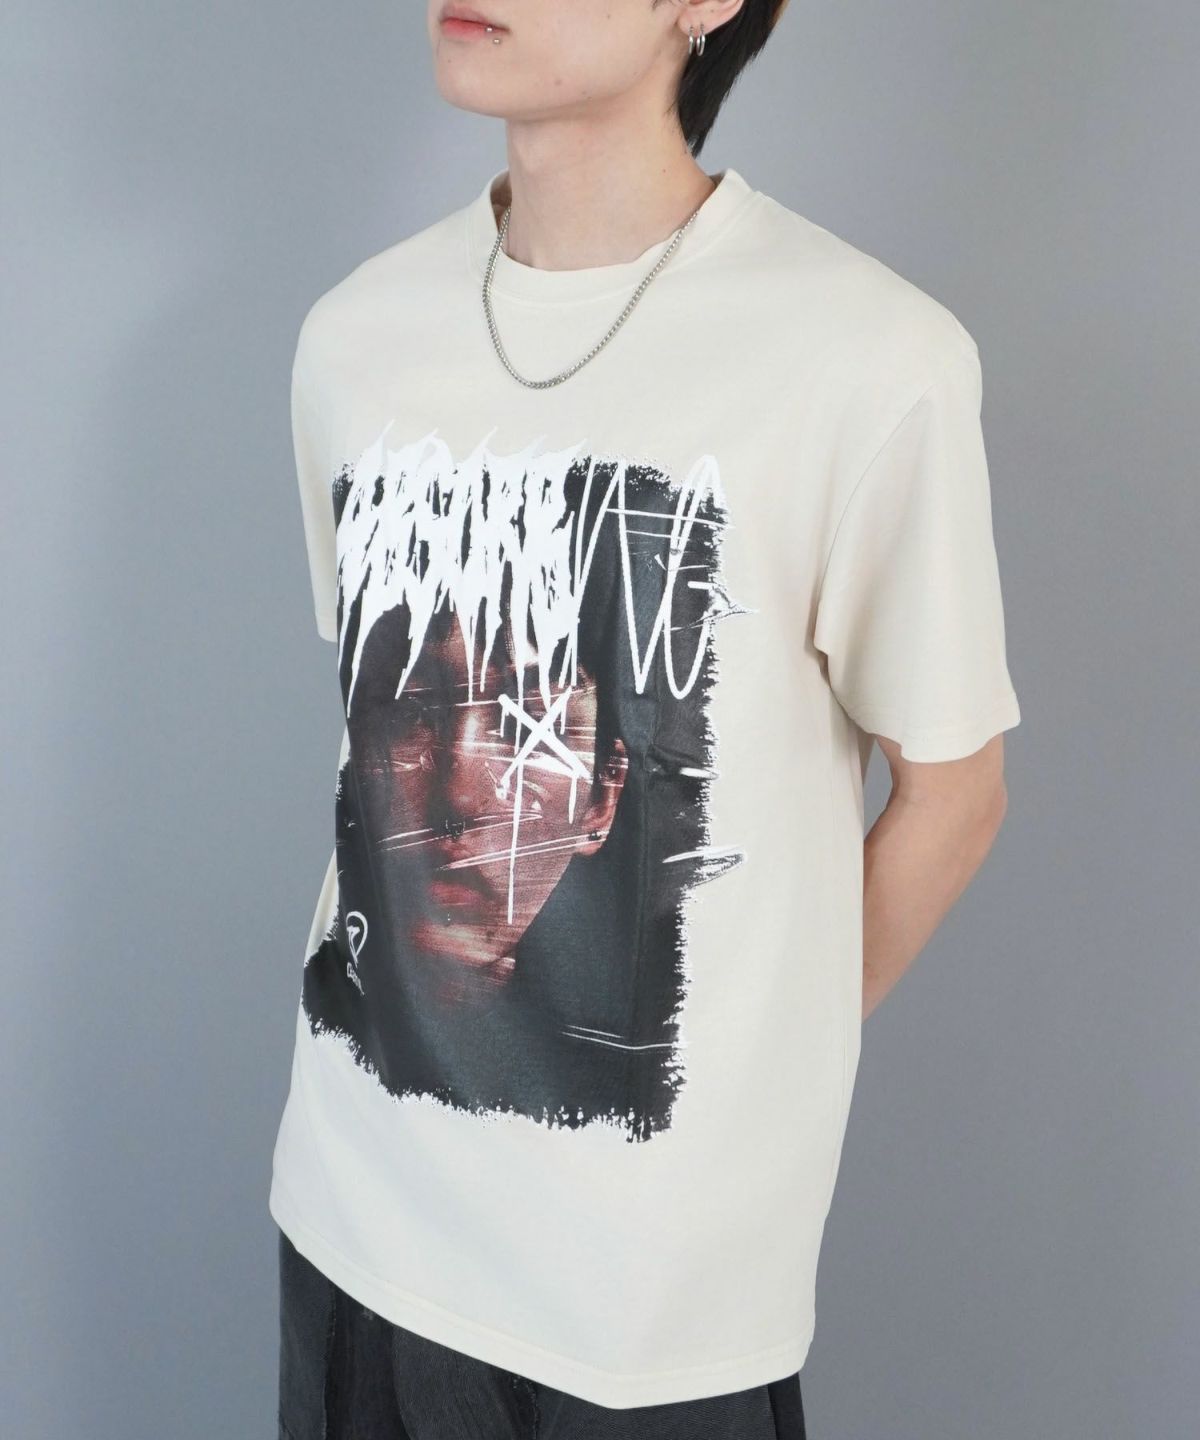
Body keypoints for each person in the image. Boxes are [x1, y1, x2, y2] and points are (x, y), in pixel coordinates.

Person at [270, 1, 1022, 1435]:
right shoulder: (356, 337)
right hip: (354, 1214)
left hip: (644, 1302)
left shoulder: (869, 357)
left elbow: (957, 796)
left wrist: (750, 1063)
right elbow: (369, 737)